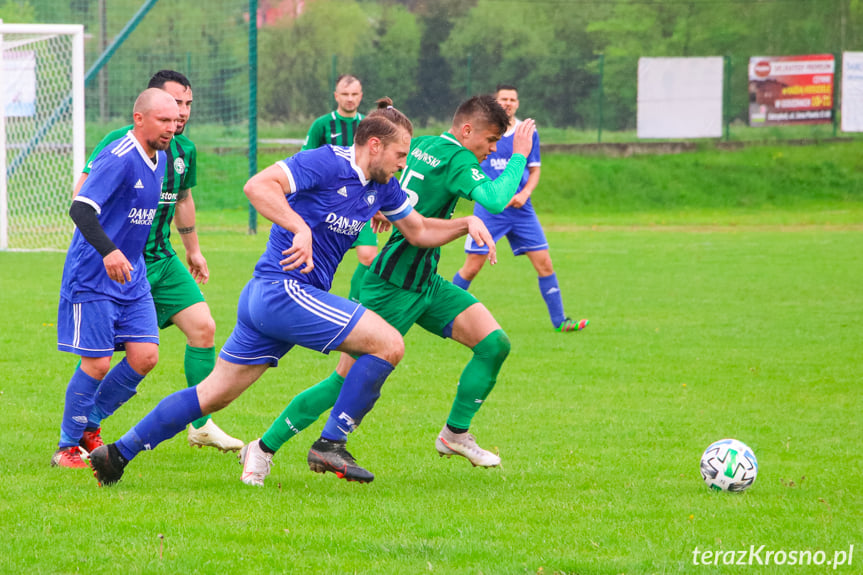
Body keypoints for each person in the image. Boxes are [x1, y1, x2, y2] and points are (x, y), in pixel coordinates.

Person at [89, 99, 497, 486]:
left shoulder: (382, 186)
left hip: (276, 302)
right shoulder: (325, 162)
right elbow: (258, 186)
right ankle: (330, 444)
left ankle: (116, 455)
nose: (403, 165)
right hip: (281, 290)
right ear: (375, 145)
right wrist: (299, 227)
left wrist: (464, 224)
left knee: (212, 395)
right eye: (400, 156)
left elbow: (420, 230)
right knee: (387, 344)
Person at [238, 95, 537, 488]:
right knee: (341, 383)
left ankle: (455, 434)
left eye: (500, 142)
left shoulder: (427, 144)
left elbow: (388, 186)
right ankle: (264, 446)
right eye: (492, 139)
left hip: (425, 280)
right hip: (391, 285)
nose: (493, 149)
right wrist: (521, 154)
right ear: (467, 132)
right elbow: (496, 200)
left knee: (494, 343)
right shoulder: (459, 159)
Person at [74, 70, 243, 453]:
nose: (180, 114)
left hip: (162, 259)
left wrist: (193, 248)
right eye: (172, 106)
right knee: (103, 355)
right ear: (150, 105)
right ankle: (80, 427)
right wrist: (104, 247)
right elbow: (83, 194)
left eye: (186, 106)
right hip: (122, 262)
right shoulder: (119, 143)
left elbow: (182, 199)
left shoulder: (185, 151)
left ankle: (200, 425)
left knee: (203, 327)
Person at [52, 89, 179, 468]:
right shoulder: (118, 157)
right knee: (97, 363)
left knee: (145, 356)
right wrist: (109, 251)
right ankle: (66, 447)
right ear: (139, 118)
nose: (172, 128)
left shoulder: (162, 157)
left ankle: (89, 424)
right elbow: (80, 209)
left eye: (175, 122)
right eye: (163, 120)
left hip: (131, 274)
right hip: (93, 273)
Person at [453, 85, 588, 333]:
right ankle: (445, 313)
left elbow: (534, 168)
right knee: (472, 266)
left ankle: (560, 321)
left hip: (521, 210)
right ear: (495, 101)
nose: (508, 103)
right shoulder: (485, 133)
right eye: (503, 98)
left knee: (544, 263)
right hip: (489, 209)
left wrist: (525, 193)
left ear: (518, 103)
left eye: (513, 99)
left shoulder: (526, 133)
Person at [303, 74, 376, 303]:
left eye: (354, 94)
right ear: (336, 96)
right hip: (327, 205)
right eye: (345, 94)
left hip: (361, 203)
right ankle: (310, 301)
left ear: (361, 96)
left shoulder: (370, 126)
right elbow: (305, 161)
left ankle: (354, 306)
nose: (350, 99)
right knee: (317, 262)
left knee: (369, 257)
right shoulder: (322, 125)